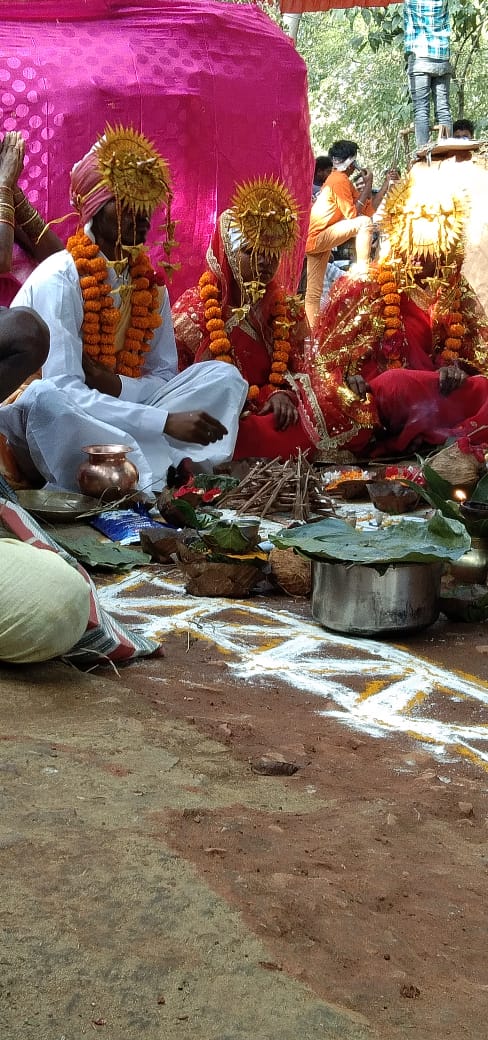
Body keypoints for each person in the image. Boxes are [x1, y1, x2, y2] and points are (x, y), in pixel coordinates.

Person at [0, 125, 247, 494]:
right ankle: (159, 474)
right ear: (96, 209)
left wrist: (115, 385)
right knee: (47, 399)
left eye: (146, 206)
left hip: (121, 405)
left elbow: (163, 377)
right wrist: (162, 422)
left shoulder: (151, 285)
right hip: (46, 422)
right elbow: (65, 389)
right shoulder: (60, 277)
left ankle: (154, 465)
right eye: (127, 205)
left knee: (223, 377)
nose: (142, 216)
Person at [301, 160, 488, 458]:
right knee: (395, 382)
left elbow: (476, 357)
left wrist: (456, 370)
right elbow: (333, 362)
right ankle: (431, 436)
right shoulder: (372, 285)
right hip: (393, 395)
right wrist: (352, 377)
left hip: (439, 395)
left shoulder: (456, 290)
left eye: (433, 252)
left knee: (482, 387)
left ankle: (441, 437)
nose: (420, 259)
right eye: (414, 248)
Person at [173, 176, 321, 461]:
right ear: (226, 253)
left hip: (272, 416)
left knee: (306, 425)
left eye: (271, 254)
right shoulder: (195, 309)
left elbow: (307, 372)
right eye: (251, 252)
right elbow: (177, 387)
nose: (264, 263)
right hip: (218, 420)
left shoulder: (287, 310)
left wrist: (281, 394)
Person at [304, 141, 395, 328]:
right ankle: (362, 269)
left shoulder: (342, 180)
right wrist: (367, 183)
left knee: (313, 293)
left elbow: (369, 209)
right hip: (319, 237)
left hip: (318, 240)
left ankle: (311, 337)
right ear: (352, 163)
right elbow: (354, 216)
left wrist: (383, 183)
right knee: (363, 224)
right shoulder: (338, 180)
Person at [0, 130, 63, 307]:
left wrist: (13, 191)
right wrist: (4, 184)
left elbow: (59, 259)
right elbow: (1, 260)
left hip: (28, 319)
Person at [404, 0, 453, 148]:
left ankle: (423, 154)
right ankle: (448, 152)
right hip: (442, 58)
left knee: (421, 110)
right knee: (443, 109)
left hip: (420, 58)